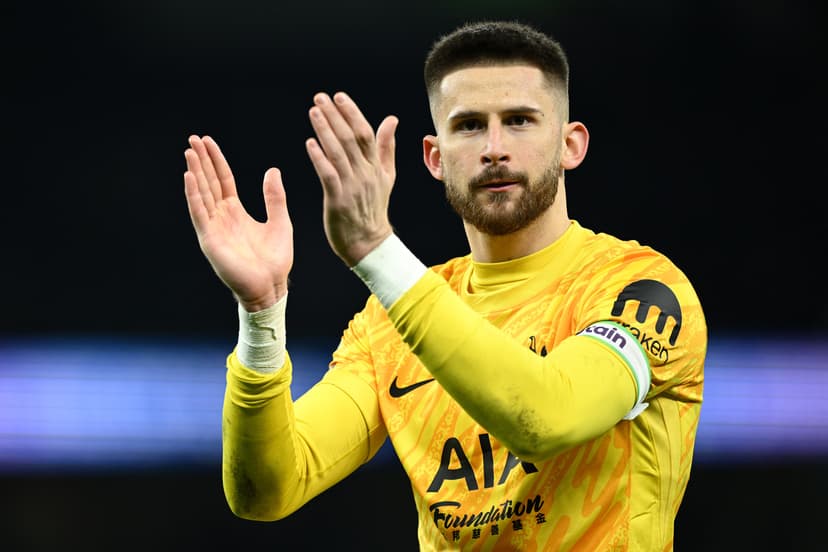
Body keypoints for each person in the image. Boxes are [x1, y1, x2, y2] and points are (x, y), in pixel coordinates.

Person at [182, 20, 706, 551]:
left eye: (520, 121)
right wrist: (261, 312)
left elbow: (548, 418)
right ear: (435, 157)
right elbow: (268, 490)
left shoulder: (640, 288)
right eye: (470, 126)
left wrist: (377, 251)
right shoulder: (389, 324)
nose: (495, 148)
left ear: (570, 145)